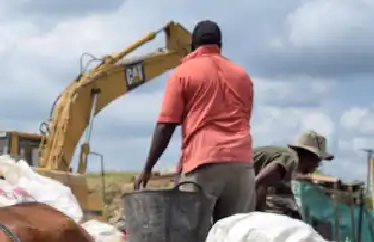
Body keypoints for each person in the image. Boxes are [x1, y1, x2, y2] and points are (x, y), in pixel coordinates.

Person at [136, 20, 255, 223]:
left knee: (192, 236)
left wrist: (148, 168)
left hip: (204, 162)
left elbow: (166, 125)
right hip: (242, 165)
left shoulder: (183, 73)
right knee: (236, 238)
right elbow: (245, 117)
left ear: (193, 45)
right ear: (221, 45)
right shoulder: (242, 76)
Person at [253, 130, 333, 218]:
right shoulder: (291, 160)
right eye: (316, 160)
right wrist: (260, 215)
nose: (317, 165)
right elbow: (259, 182)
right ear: (307, 156)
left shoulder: (289, 169)